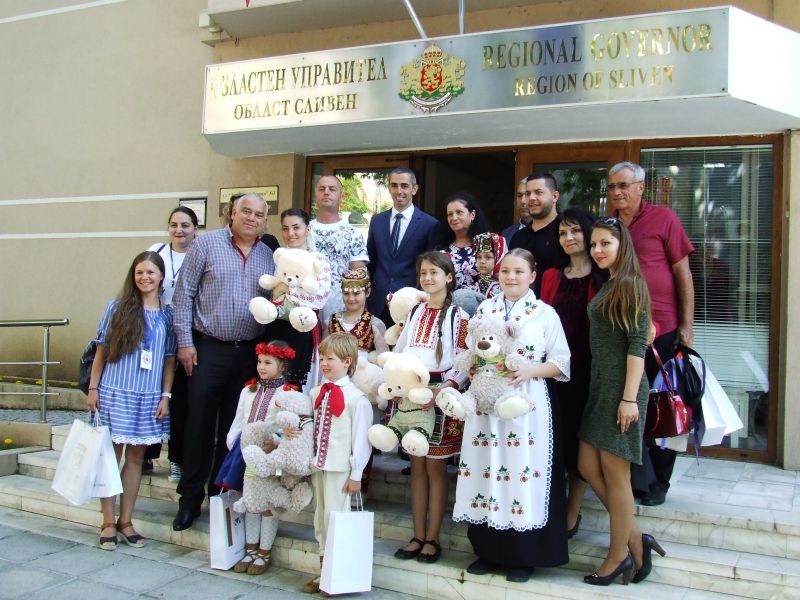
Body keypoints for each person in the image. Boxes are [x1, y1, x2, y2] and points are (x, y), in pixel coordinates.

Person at [453, 248, 571, 583]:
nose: (511, 277)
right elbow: (471, 350)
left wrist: (529, 370)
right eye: (506, 271)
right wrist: (472, 369)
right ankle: (487, 550)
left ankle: (523, 556)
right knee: (485, 468)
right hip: (486, 404)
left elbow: (561, 362)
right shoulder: (484, 310)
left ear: (532, 275)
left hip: (526, 402)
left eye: (519, 271)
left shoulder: (545, 314)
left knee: (521, 470)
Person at [171, 193, 275, 531]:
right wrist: (185, 343)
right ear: (232, 213)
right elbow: (183, 294)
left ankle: (219, 498)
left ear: (264, 220)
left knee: (233, 429)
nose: (252, 218)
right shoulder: (206, 244)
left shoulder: (268, 256)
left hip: (248, 354)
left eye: (258, 214)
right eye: (246, 211)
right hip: (208, 350)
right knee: (199, 426)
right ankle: (189, 500)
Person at [578, 216, 664, 585]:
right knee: (587, 464)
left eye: (605, 243)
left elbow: (636, 347)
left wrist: (629, 399)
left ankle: (618, 557)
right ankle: (636, 538)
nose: (597, 250)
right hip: (601, 388)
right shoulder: (612, 282)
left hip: (622, 391)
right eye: (594, 244)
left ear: (622, 245)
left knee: (617, 476)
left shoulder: (630, 284)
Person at [609, 161, 695, 507]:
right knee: (630, 406)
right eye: (612, 186)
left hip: (663, 331)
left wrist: (686, 326)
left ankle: (660, 481)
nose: (617, 192)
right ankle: (636, 480)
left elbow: (683, 273)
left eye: (624, 185)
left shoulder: (664, 219)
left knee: (663, 406)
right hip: (622, 332)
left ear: (641, 187)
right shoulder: (610, 225)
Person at [86, 251, 176, 551]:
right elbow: (101, 350)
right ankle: (107, 522)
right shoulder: (117, 308)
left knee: (136, 459)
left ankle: (126, 521)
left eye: (150, 272)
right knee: (110, 458)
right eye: (139, 272)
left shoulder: (168, 314)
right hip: (115, 391)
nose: (145, 277)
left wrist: (166, 396)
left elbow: (169, 359)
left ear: (161, 276)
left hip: (148, 397)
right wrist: (93, 388)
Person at [391, 252, 469, 565]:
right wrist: (396, 383)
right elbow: (400, 350)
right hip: (412, 391)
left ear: (449, 277)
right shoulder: (414, 312)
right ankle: (417, 534)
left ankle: (433, 537)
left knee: (436, 467)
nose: (427, 278)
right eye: (423, 273)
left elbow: (464, 360)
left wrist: (446, 389)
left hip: (440, 393)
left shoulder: (458, 316)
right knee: (417, 466)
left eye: (434, 272)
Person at [539, 207, 608, 538]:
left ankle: (572, 513)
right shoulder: (551, 276)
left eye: (575, 231)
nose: (568, 238)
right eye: (562, 233)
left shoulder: (604, 276)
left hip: (589, 373)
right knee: (556, 443)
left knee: (581, 448)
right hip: (554, 373)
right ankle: (551, 510)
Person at [302, 333, 372, 594]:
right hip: (319, 466)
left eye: (330, 359)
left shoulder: (356, 398)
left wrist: (357, 474)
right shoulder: (316, 393)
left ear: (347, 361)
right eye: (321, 358)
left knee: (335, 519)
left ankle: (336, 574)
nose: (324, 363)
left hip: (340, 469)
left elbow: (361, 440)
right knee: (320, 518)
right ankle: (324, 573)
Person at [219, 340, 294, 576]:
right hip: (245, 453)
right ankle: (250, 549)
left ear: (282, 366)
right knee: (251, 501)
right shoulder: (248, 390)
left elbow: (289, 428)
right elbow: (239, 420)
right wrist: (233, 443)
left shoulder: (287, 394)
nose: (261, 367)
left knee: (267, 503)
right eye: (260, 361)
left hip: (269, 456)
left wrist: (278, 443)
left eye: (268, 363)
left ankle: (264, 552)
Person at [142, 206, 199, 481]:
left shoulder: (201, 252)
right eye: (174, 224)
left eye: (185, 225)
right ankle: (145, 452)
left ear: (195, 229)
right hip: (157, 329)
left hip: (187, 333)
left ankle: (177, 458)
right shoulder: (157, 251)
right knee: (151, 391)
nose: (179, 230)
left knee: (179, 398)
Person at [326, 267, 389, 493]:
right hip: (337, 385)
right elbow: (324, 352)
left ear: (367, 292)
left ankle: (360, 486)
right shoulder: (332, 321)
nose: (351, 298)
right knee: (338, 434)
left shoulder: (375, 323)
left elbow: (384, 359)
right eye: (347, 293)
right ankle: (335, 484)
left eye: (357, 293)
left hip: (363, 389)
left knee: (362, 435)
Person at [366, 167, 440, 324]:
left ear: (414, 189)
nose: (399, 191)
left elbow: (430, 266)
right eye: (394, 185)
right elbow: (371, 261)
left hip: (410, 304)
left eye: (404, 186)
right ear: (389, 188)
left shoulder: (429, 224)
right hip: (377, 302)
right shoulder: (377, 221)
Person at [273, 208, 332, 390]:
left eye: (296, 227)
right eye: (285, 228)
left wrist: (287, 289)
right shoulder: (280, 257)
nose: (290, 233)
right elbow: (274, 294)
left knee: (297, 384)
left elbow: (320, 297)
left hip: (303, 327)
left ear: (308, 229)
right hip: (278, 326)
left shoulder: (318, 259)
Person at [310, 175, 369, 325]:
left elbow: (358, 276)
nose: (326, 192)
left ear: (341, 196)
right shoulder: (304, 230)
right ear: (316, 195)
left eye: (332, 189)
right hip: (306, 306)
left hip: (340, 309)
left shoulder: (352, 233)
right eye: (322, 189)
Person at [509, 172, 562, 296]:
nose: (531, 198)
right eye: (528, 193)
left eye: (538, 192)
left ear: (555, 196)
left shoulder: (565, 233)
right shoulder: (518, 237)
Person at [437, 191, 491, 291]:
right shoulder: (441, 248)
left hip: (481, 299)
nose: (454, 218)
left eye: (459, 212)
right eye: (450, 214)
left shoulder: (486, 243)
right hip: (448, 300)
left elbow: (494, 277)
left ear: (472, 214)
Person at [472, 232, 507, 299]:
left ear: (498, 258)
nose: (482, 261)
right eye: (479, 257)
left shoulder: (506, 289)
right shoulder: (471, 289)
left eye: (488, 257)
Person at [500, 177, 531, 244]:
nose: (522, 201)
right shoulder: (506, 234)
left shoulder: (553, 232)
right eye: (519, 196)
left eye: (528, 195)